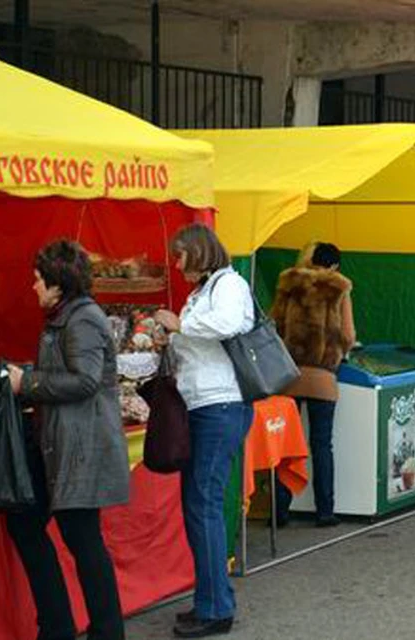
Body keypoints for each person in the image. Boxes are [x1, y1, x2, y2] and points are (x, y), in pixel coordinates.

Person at [6, 240, 129, 640]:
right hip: (56, 444)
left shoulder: (84, 319)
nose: (33, 287)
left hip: (80, 448)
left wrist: (30, 382)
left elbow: (86, 380)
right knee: (26, 525)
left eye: (38, 280)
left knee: (83, 540)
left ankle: (106, 631)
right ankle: (57, 626)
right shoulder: (65, 315)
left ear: (59, 283)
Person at [154, 224, 254, 638]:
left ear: (198, 252)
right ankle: (209, 599)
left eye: (180, 257)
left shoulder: (228, 285)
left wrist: (179, 326)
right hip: (204, 406)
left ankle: (216, 608)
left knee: (205, 505)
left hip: (220, 405)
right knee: (198, 506)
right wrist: (167, 339)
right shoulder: (204, 290)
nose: (177, 265)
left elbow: (228, 324)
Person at [270, 242, 356, 528]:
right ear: (334, 266)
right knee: (322, 443)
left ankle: (279, 511)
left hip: (289, 376)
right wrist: (339, 350)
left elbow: (275, 323)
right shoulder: (339, 288)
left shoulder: (289, 283)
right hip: (322, 377)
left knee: (284, 445)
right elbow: (348, 334)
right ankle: (325, 511)